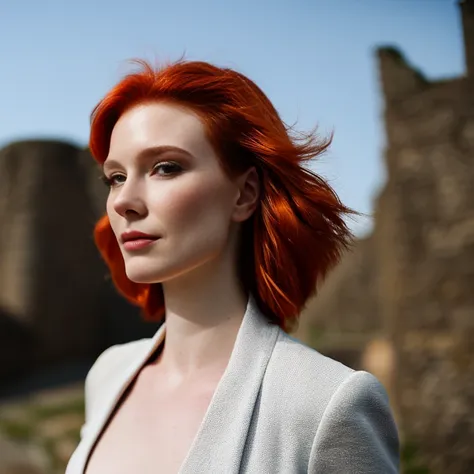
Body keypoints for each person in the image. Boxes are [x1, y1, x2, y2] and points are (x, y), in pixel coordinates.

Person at [66, 59, 400, 474]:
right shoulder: (109, 375)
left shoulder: (326, 404)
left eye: (165, 167)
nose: (122, 201)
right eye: (114, 177)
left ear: (245, 193)